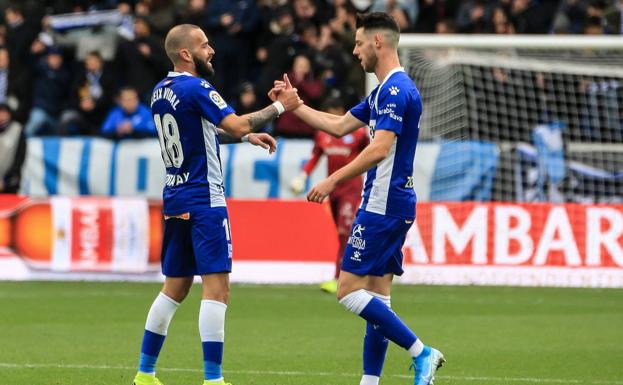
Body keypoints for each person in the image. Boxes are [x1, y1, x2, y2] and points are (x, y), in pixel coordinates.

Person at [271, 12, 445, 385]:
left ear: (377, 42)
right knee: (378, 300)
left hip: (383, 204)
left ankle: (422, 353)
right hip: (391, 203)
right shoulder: (383, 91)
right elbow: (336, 126)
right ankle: (370, 381)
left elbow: (380, 149)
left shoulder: (396, 91)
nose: (354, 51)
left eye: (358, 42)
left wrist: (332, 179)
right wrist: (293, 105)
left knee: (348, 290)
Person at [132, 24, 301, 385]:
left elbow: (204, 135)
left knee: (175, 287)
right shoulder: (197, 87)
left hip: (175, 196)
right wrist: (278, 107)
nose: (212, 51)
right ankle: (214, 380)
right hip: (205, 199)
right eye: (205, 45)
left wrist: (245, 136)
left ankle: (144, 374)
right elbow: (235, 124)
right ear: (186, 54)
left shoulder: (161, 91)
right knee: (217, 288)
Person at [290, 96, 369, 294]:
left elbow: (372, 153)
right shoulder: (322, 135)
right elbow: (316, 156)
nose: (333, 116)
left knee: (346, 231)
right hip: (332, 190)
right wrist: (303, 175)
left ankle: (339, 278)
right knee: (341, 232)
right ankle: (356, 273)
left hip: (351, 188)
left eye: (336, 111)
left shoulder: (358, 133)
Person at [0, 103, 26, 194]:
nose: (1, 116)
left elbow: (19, 160)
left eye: (4, 112)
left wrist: (5, 182)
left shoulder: (17, 130)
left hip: (9, 184)